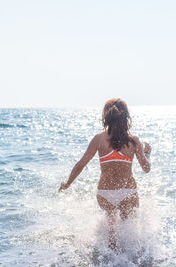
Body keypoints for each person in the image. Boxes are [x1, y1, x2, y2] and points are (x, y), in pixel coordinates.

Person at [58, 98, 151, 250]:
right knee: (130, 231)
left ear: (106, 117)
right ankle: (129, 259)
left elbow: (81, 164)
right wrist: (147, 154)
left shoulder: (98, 139)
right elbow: (146, 168)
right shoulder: (133, 140)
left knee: (111, 231)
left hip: (105, 193)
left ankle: (109, 259)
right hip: (128, 192)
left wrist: (67, 183)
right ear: (126, 117)